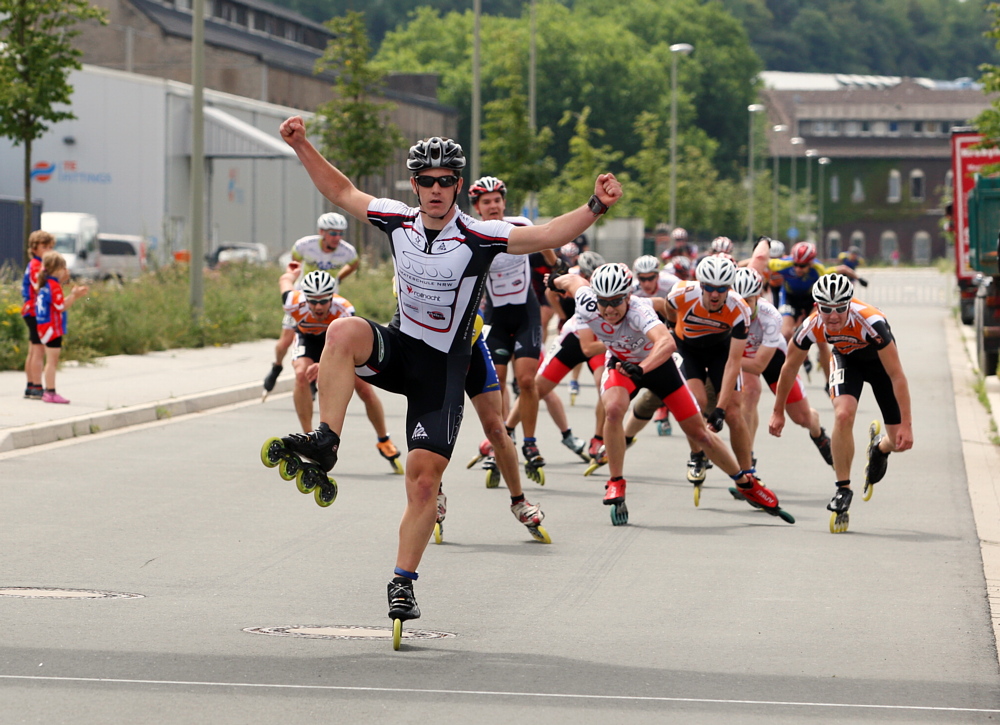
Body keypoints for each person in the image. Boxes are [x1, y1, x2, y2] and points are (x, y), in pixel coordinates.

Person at [275, 115, 622, 626]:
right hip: (402, 347)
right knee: (342, 332)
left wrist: (595, 206)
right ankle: (327, 438)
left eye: (445, 180)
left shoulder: (480, 234)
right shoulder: (396, 219)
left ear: (458, 184)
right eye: (426, 180)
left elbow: (547, 232)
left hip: (443, 369)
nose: (435, 189)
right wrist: (302, 145)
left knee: (422, 483)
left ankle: (402, 583)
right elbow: (343, 191)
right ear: (414, 185)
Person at [551, 263, 787, 522]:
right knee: (615, 408)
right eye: (603, 302)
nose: (608, 309)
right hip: (621, 364)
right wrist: (555, 279)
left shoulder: (639, 311)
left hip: (657, 365)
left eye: (616, 302)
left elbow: (666, 342)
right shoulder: (588, 303)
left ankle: (746, 483)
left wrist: (642, 368)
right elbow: (572, 282)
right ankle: (616, 481)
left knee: (700, 434)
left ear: (628, 296)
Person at [769, 274, 913, 529]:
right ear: (817, 307)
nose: (833, 316)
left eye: (839, 309)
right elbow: (788, 369)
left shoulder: (871, 322)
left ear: (849, 304)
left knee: (899, 443)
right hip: (848, 362)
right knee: (843, 415)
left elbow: (897, 375)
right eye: (826, 309)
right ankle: (842, 488)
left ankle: (880, 447)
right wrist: (778, 411)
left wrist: (907, 425)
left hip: (881, 368)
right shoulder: (811, 326)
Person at [278, 262, 403, 471]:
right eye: (313, 301)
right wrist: (291, 273)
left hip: (338, 345)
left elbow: (348, 344)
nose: (318, 307)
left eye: (323, 301)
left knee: (364, 388)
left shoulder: (344, 308)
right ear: (305, 297)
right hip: (308, 340)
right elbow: (285, 282)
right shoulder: (293, 302)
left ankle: (384, 439)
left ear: (332, 297)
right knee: (301, 376)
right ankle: (311, 439)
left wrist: (324, 365)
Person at [468, 175, 553, 476]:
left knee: (527, 381)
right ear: (477, 208)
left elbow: (547, 242)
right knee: (497, 384)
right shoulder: (473, 232)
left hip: (526, 314)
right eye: (486, 202)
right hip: (496, 319)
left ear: (504, 203)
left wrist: (555, 269)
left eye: (497, 200)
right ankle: (501, 439)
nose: (493, 206)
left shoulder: (521, 226)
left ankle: (529, 442)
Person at [664, 256, 756, 484]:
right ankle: (696, 455)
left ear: (730, 287)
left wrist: (721, 409)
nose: (715, 295)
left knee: (734, 412)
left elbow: (734, 362)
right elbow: (668, 309)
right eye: (710, 288)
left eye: (722, 289)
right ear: (700, 284)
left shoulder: (740, 309)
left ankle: (748, 474)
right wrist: (672, 327)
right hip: (688, 349)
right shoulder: (680, 293)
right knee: (697, 401)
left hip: (720, 351)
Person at [731, 267, 832, 467]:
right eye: (738, 302)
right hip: (742, 355)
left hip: (771, 358)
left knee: (801, 418)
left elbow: (759, 365)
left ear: (758, 296)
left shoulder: (770, 316)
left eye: (748, 302)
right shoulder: (723, 310)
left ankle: (818, 432)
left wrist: (724, 358)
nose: (742, 309)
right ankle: (747, 463)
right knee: (749, 394)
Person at [263, 212, 359, 399]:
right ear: (322, 232)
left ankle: (315, 375)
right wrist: (293, 280)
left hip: (327, 299)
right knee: (284, 342)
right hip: (304, 299)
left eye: (340, 233)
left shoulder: (347, 251)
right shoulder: (305, 245)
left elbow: (354, 264)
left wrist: (339, 278)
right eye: (332, 233)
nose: (337, 238)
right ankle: (276, 366)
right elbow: (293, 265)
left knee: (327, 338)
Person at [34, 251, 89, 404]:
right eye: (64, 267)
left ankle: (49, 391)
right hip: (52, 328)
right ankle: (50, 392)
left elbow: (54, 304)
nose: (66, 271)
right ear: (57, 269)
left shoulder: (46, 284)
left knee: (50, 361)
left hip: (43, 326)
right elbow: (61, 306)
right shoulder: (54, 286)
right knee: (52, 361)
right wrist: (74, 296)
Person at [21, 230, 55, 400]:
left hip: (31, 310)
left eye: (50, 247)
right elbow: (38, 285)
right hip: (35, 311)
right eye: (44, 247)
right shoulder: (37, 265)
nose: (48, 250)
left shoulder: (37, 264)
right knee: (38, 350)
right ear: (34, 248)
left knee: (33, 350)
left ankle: (30, 384)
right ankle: (36, 386)